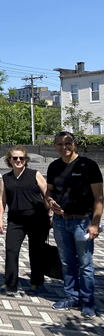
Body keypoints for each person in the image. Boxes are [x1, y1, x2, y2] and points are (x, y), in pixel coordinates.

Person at [46, 131, 103, 317]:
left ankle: (88, 301)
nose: (64, 147)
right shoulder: (54, 166)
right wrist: (51, 203)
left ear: (75, 144)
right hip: (61, 222)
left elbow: (99, 197)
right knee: (67, 262)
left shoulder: (88, 165)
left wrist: (95, 223)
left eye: (67, 143)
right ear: (55, 146)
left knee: (85, 264)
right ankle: (71, 296)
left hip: (82, 222)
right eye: (60, 144)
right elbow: (49, 193)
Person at [0, 145, 50, 297]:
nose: (18, 160)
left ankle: (36, 283)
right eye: (15, 158)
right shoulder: (6, 178)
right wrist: (0, 219)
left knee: (36, 251)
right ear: (9, 160)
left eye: (22, 158)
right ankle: (11, 283)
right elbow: (2, 200)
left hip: (37, 219)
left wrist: (50, 214)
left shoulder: (34, 174)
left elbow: (47, 195)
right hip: (15, 220)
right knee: (11, 251)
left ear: (26, 160)